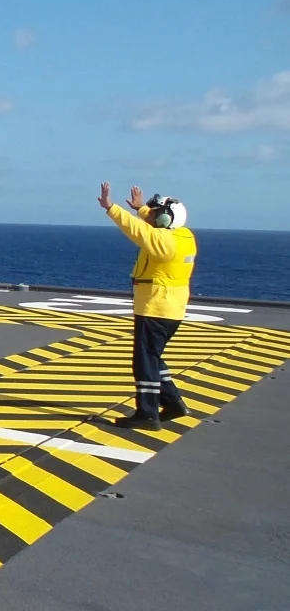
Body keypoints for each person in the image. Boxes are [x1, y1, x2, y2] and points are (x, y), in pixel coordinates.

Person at [99, 182, 196, 431]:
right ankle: (173, 403)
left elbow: (138, 231)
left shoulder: (164, 243)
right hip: (172, 308)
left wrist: (112, 208)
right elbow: (155, 223)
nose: (150, 216)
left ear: (164, 219)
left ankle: (147, 414)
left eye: (154, 213)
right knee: (153, 358)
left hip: (155, 307)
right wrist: (141, 207)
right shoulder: (184, 236)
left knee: (144, 362)